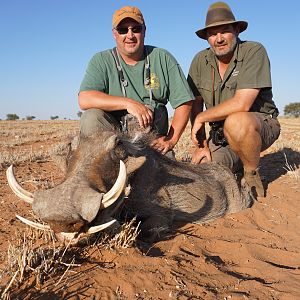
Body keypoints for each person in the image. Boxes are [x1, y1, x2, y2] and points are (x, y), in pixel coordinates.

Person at [187, 2, 280, 198]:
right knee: (204, 171)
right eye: (212, 34)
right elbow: (195, 104)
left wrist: (202, 117)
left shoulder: (254, 51)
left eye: (225, 31)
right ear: (206, 38)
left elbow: (242, 104)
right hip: (221, 135)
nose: (218, 39)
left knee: (236, 121)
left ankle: (251, 173)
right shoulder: (199, 61)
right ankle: (238, 160)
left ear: (237, 30)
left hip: (258, 125)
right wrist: (202, 145)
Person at [78, 6, 194, 155]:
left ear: (144, 30)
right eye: (123, 30)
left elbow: (184, 102)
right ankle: (102, 165)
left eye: (136, 29)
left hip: (152, 143)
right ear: (114, 34)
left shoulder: (162, 57)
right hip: (113, 144)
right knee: (91, 116)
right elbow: (85, 98)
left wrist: (171, 139)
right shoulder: (101, 60)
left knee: (169, 175)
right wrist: (128, 103)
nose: (130, 35)